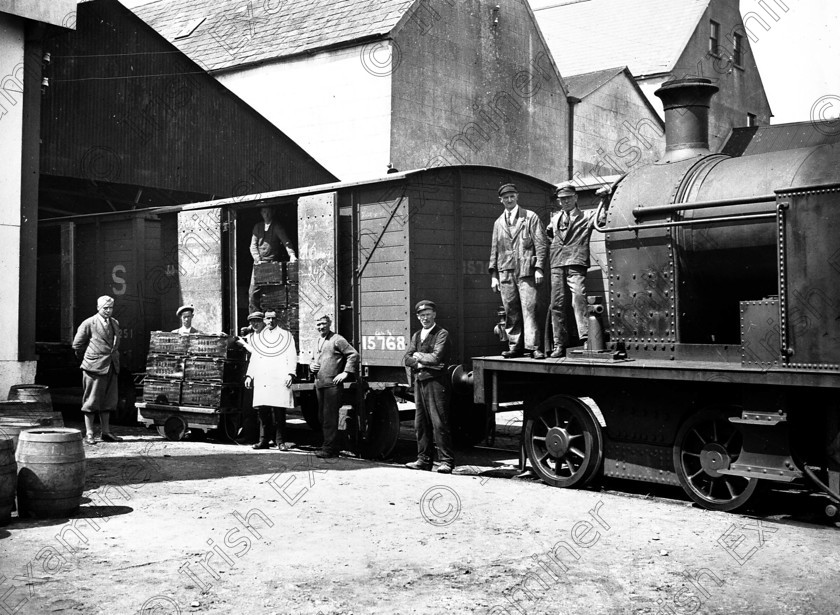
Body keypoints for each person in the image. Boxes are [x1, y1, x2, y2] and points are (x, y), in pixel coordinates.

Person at [546, 182, 610, 358]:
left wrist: (604, 198)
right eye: (561, 199)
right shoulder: (555, 218)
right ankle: (559, 344)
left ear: (575, 198)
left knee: (578, 300)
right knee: (556, 304)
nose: (565, 202)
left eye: (568, 198)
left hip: (576, 262)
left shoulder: (587, 216)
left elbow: (602, 219)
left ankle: (586, 339)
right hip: (557, 263)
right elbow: (551, 234)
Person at [489, 183, 549, 359]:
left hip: (526, 271)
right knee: (510, 310)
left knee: (529, 308)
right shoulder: (498, 222)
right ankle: (514, 346)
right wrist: (494, 275)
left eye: (512, 196)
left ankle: (534, 347)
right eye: (505, 197)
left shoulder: (530, 217)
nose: (509, 200)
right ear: (501, 200)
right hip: (505, 272)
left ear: (517, 197)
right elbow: (494, 250)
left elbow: (541, 244)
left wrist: (539, 268)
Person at [403, 300, 455, 473]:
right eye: (422, 315)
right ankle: (423, 460)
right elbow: (407, 358)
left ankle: (446, 462)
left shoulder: (442, 333)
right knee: (421, 423)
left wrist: (419, 358)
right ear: (418, 317)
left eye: (428, 314)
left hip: (436, 382)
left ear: (434, 315)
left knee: (439, 422)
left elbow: (437, 358)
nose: (425, 318)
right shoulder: (417, 335)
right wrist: (420, 362)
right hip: (420, 381)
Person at [71, 295, 123, 445]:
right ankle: (89, 433)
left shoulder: (115, 323)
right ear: (98, 308)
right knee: (91, 401)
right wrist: (89, 361)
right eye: (105, 308)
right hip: (93, 368)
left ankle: (106, 432)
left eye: (110, 308)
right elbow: (77, 346)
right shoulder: (89, 323)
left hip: (111, 366)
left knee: (108, 401)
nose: (108, 311)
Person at [244, 311, 298, 451]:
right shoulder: (259, 337)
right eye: (268, 319)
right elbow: (255, 358)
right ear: (264, 320)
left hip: (279, 378)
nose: (270, 321)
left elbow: (291, 355)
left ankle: (280, 441)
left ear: (277, 319)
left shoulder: (286, 335)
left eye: (273, 318)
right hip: (263, 378)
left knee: (279, 411)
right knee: (263, 411)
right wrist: (250, 376)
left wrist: (290, 374)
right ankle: (263, 441)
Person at [309, 315, 359, 459]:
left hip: (332, 385)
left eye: (323, 324)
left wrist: (345, 373)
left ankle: (329, 449)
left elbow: (353, 355)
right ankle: (332, 445)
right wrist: (311, 365)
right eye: (318, 324)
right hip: (319, 384)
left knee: (329, 417)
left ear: (329, 323)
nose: (321, 327)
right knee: (322, 417)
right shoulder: (317, 340)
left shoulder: (337, 339)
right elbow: (313, 359)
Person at [249, 206, 297, 312]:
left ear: (273, 212)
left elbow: (286, 241)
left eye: (269, 212)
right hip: (258, 264)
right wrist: (258, 260)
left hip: (271, 264)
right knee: (253, 292)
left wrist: (292, 254)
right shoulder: (257, 227)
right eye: (264, 212)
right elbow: (253, 245)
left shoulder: (276, 226)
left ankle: (271, 318)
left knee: (272, 293)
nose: (266, 214)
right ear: (261, 213)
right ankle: (255, 318)